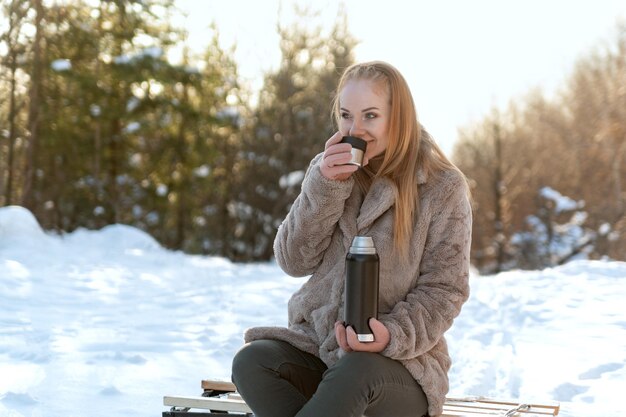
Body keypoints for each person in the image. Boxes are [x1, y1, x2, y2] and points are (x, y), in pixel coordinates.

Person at [231, 61, 472, 417]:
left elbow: (444, 290)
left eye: (370, 116)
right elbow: (292, 260)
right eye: (346, 115)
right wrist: (326, 185)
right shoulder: (329, 172)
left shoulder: (441, 187)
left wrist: (389, 334)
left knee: (355, 371)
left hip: (398, 365)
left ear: (398, 117)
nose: (355, 129)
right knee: (253, 361)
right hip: (320, 348)